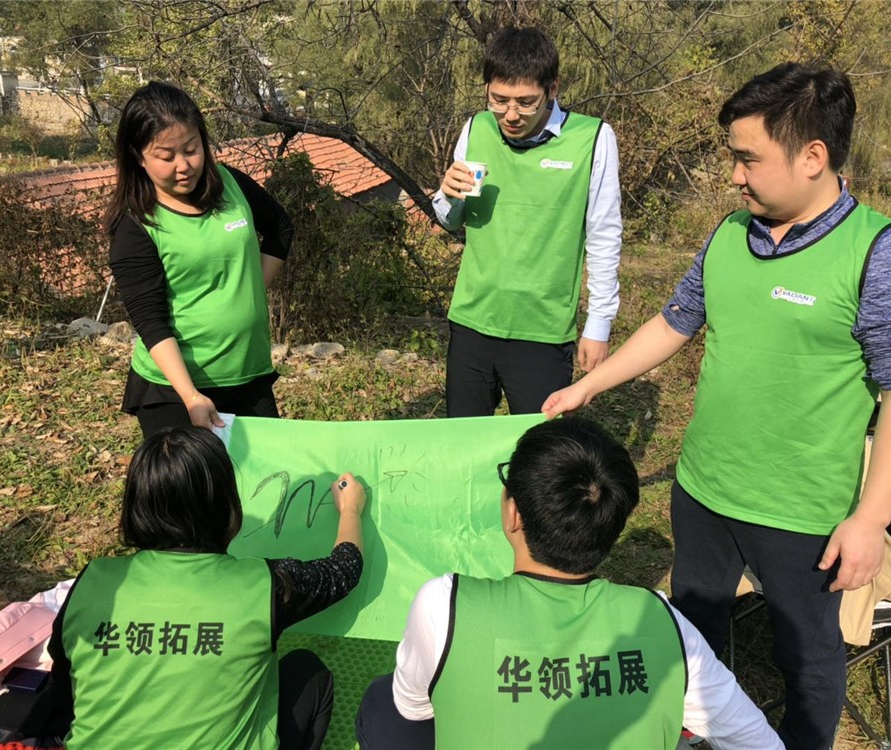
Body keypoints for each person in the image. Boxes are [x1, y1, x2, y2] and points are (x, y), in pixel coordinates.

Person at [543, 63, 891, 748]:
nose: (734, 176)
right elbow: (675, 321)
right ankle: (697, 731)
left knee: (806, 658)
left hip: (802, 514)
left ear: (813, 156)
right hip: (703, 490)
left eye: (749, 158)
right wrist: (589, 387)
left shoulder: (883, 255)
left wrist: (871, 520)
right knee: (694, 631)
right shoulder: (730, 234)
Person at [355, 417, 783, 749]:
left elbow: (412, 707)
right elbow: (757, 741)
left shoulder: (443, 605)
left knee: (381, 704)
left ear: (513, 513)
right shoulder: (664, 623)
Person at [47, 427, 367, 749]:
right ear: (225, 503)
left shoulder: (93, 580)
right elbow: (344, 569)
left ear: (135, 503)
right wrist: (350, 509)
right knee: (308, 672)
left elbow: (64, 693)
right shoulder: (264, 584)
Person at [434, 26, 622, 417]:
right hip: (472, 321)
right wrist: (447, 195)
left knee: (539, 447)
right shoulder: (477, 128)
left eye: (525, 102)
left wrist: (598, 324)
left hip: (543, 331)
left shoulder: (593, 139)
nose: (510, 114)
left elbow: (604, 237)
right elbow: (451, 221)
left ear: (552, 90)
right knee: (464, 440)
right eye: (498, 100)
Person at [105, 81, 294, 439]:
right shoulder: (136, 225)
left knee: (267, 473)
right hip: (177, 390)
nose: (184, 166)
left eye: (192, 149)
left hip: (249, 374)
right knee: (195, 478)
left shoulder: (231, 185)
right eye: (166, 156)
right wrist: (191, 396)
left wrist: (251, 290)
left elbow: (280, 228)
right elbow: (150, 322)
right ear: (138, 156)